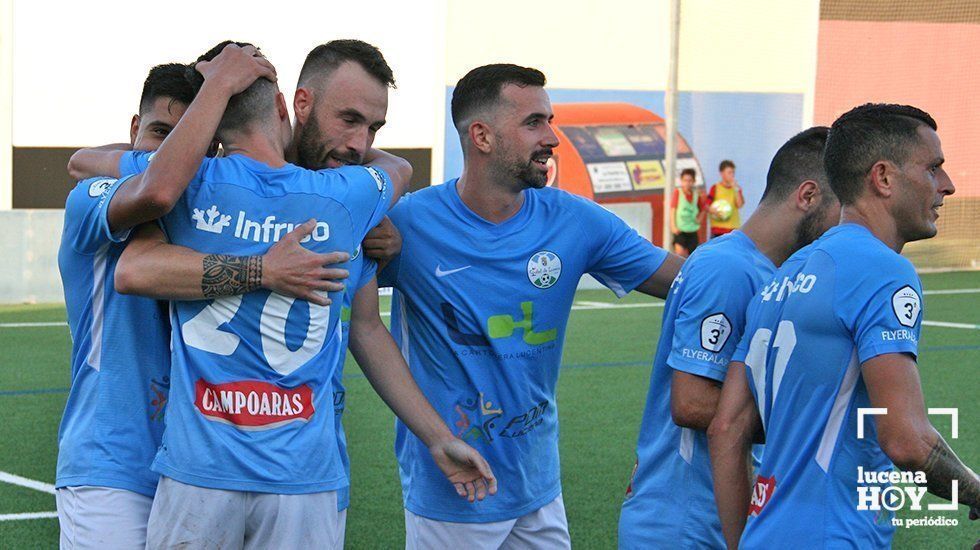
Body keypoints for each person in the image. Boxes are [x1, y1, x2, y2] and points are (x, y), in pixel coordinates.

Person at [70, 41, 494, 548]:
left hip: (205, 471)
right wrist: (264, 268)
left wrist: (437, 436)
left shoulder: (192, 185)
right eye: (350, 120)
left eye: (371, 129)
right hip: (228, 471)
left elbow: (366, 329)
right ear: (288, 105)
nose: (358, 143)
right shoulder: (348, 198)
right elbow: (398, 169)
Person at [377, 64, 683, 548]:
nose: (553, 137)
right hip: (452, 492)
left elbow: (685, 282)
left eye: (549, 120)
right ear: (482, 136)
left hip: (538, 489)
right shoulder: (408, 224)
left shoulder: (576, 221)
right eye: (534, 122)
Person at [55, 57, 339, 549]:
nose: (176, 152)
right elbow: (156, 190)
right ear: (133, 129)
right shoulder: (96, 194)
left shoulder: (214, 200)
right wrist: (266, 270)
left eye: (195, 141)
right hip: (114, 462)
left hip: (199, 459)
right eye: (162, 132)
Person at [708, 103, 978, 549]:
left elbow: (726, 428)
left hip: (766, 535)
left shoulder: (781, 278)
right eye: (934, 168)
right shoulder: (883, 270)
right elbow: (907, 440)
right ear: (884, 178)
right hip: (834, 535)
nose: (946, 186)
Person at [618, 127, 840, 549]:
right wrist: (816, 426)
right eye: (844, 209)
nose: (848, 226)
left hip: (717, 514)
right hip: (684, 523)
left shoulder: (773, 273)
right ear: (808, 196)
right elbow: (691, 402)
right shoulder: (728, 269)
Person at [670, 167, 708, 257]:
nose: (687, 183)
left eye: (690, 180)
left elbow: (703, 209)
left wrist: (699, 220)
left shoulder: (696, 195)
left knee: (693, 256)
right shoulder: (678, 192)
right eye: (685, 180)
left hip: (692, 230)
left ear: (694, 181)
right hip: (680, 230)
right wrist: (673, 226)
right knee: (679, 254)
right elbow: (673, 210)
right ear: (681, 181)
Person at [708, 160, 745, 238]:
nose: (732, 175)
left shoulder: (736, 189)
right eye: (729, 172)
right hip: (718, 229)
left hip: (733, 229)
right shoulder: (715, 188)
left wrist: (736, 189)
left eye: (733, 173)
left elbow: (739, 204)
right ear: (722, 174)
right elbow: (707, 205)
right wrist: (713, 210)